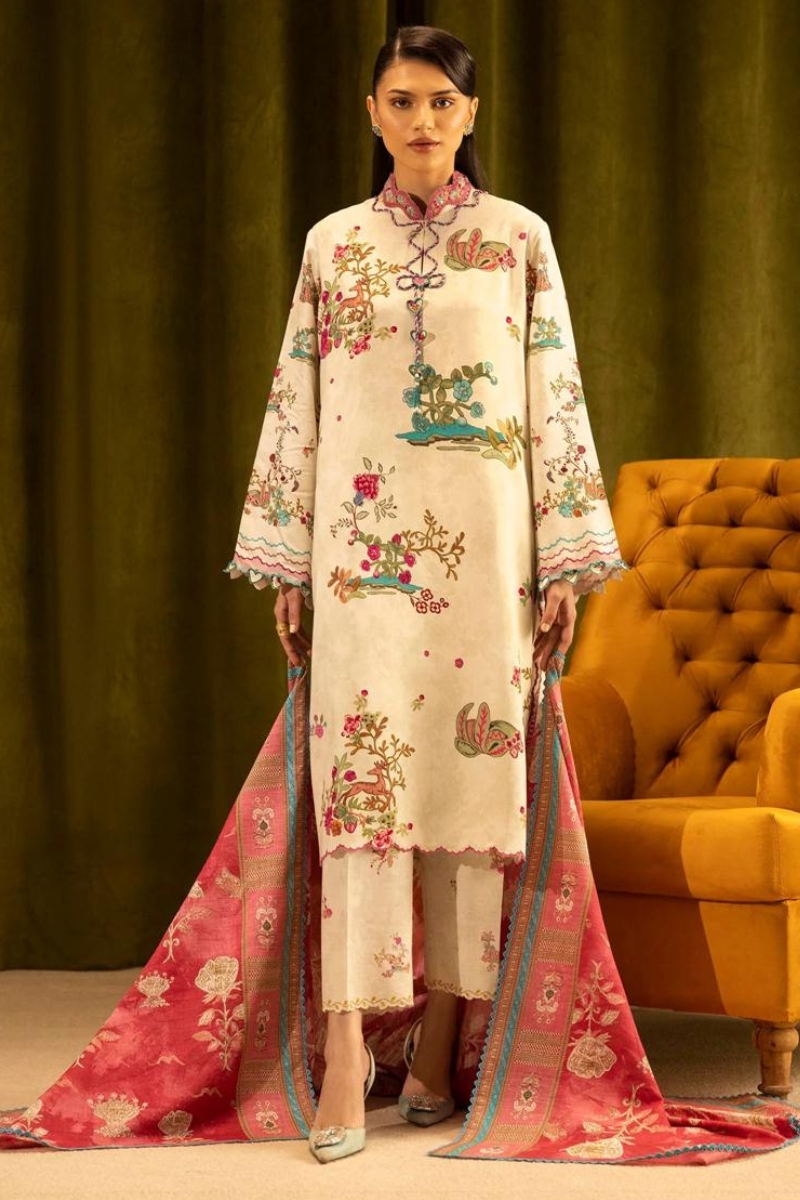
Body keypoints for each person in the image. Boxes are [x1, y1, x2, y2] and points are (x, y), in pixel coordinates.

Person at [224, 25, 625, 1163]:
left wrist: (561, 559)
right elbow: (295, 399)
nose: (421, 121)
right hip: (362, 562)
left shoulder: (518, 241)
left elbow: (554, 392)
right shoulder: (332, 245)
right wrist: (288, 558)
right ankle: (346, 1049)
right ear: (371, 114)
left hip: (488, 559)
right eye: (400, 101)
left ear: (469, 114)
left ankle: (444, 1036)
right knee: (361, 785)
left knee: (469, 786)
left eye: (441, 102)